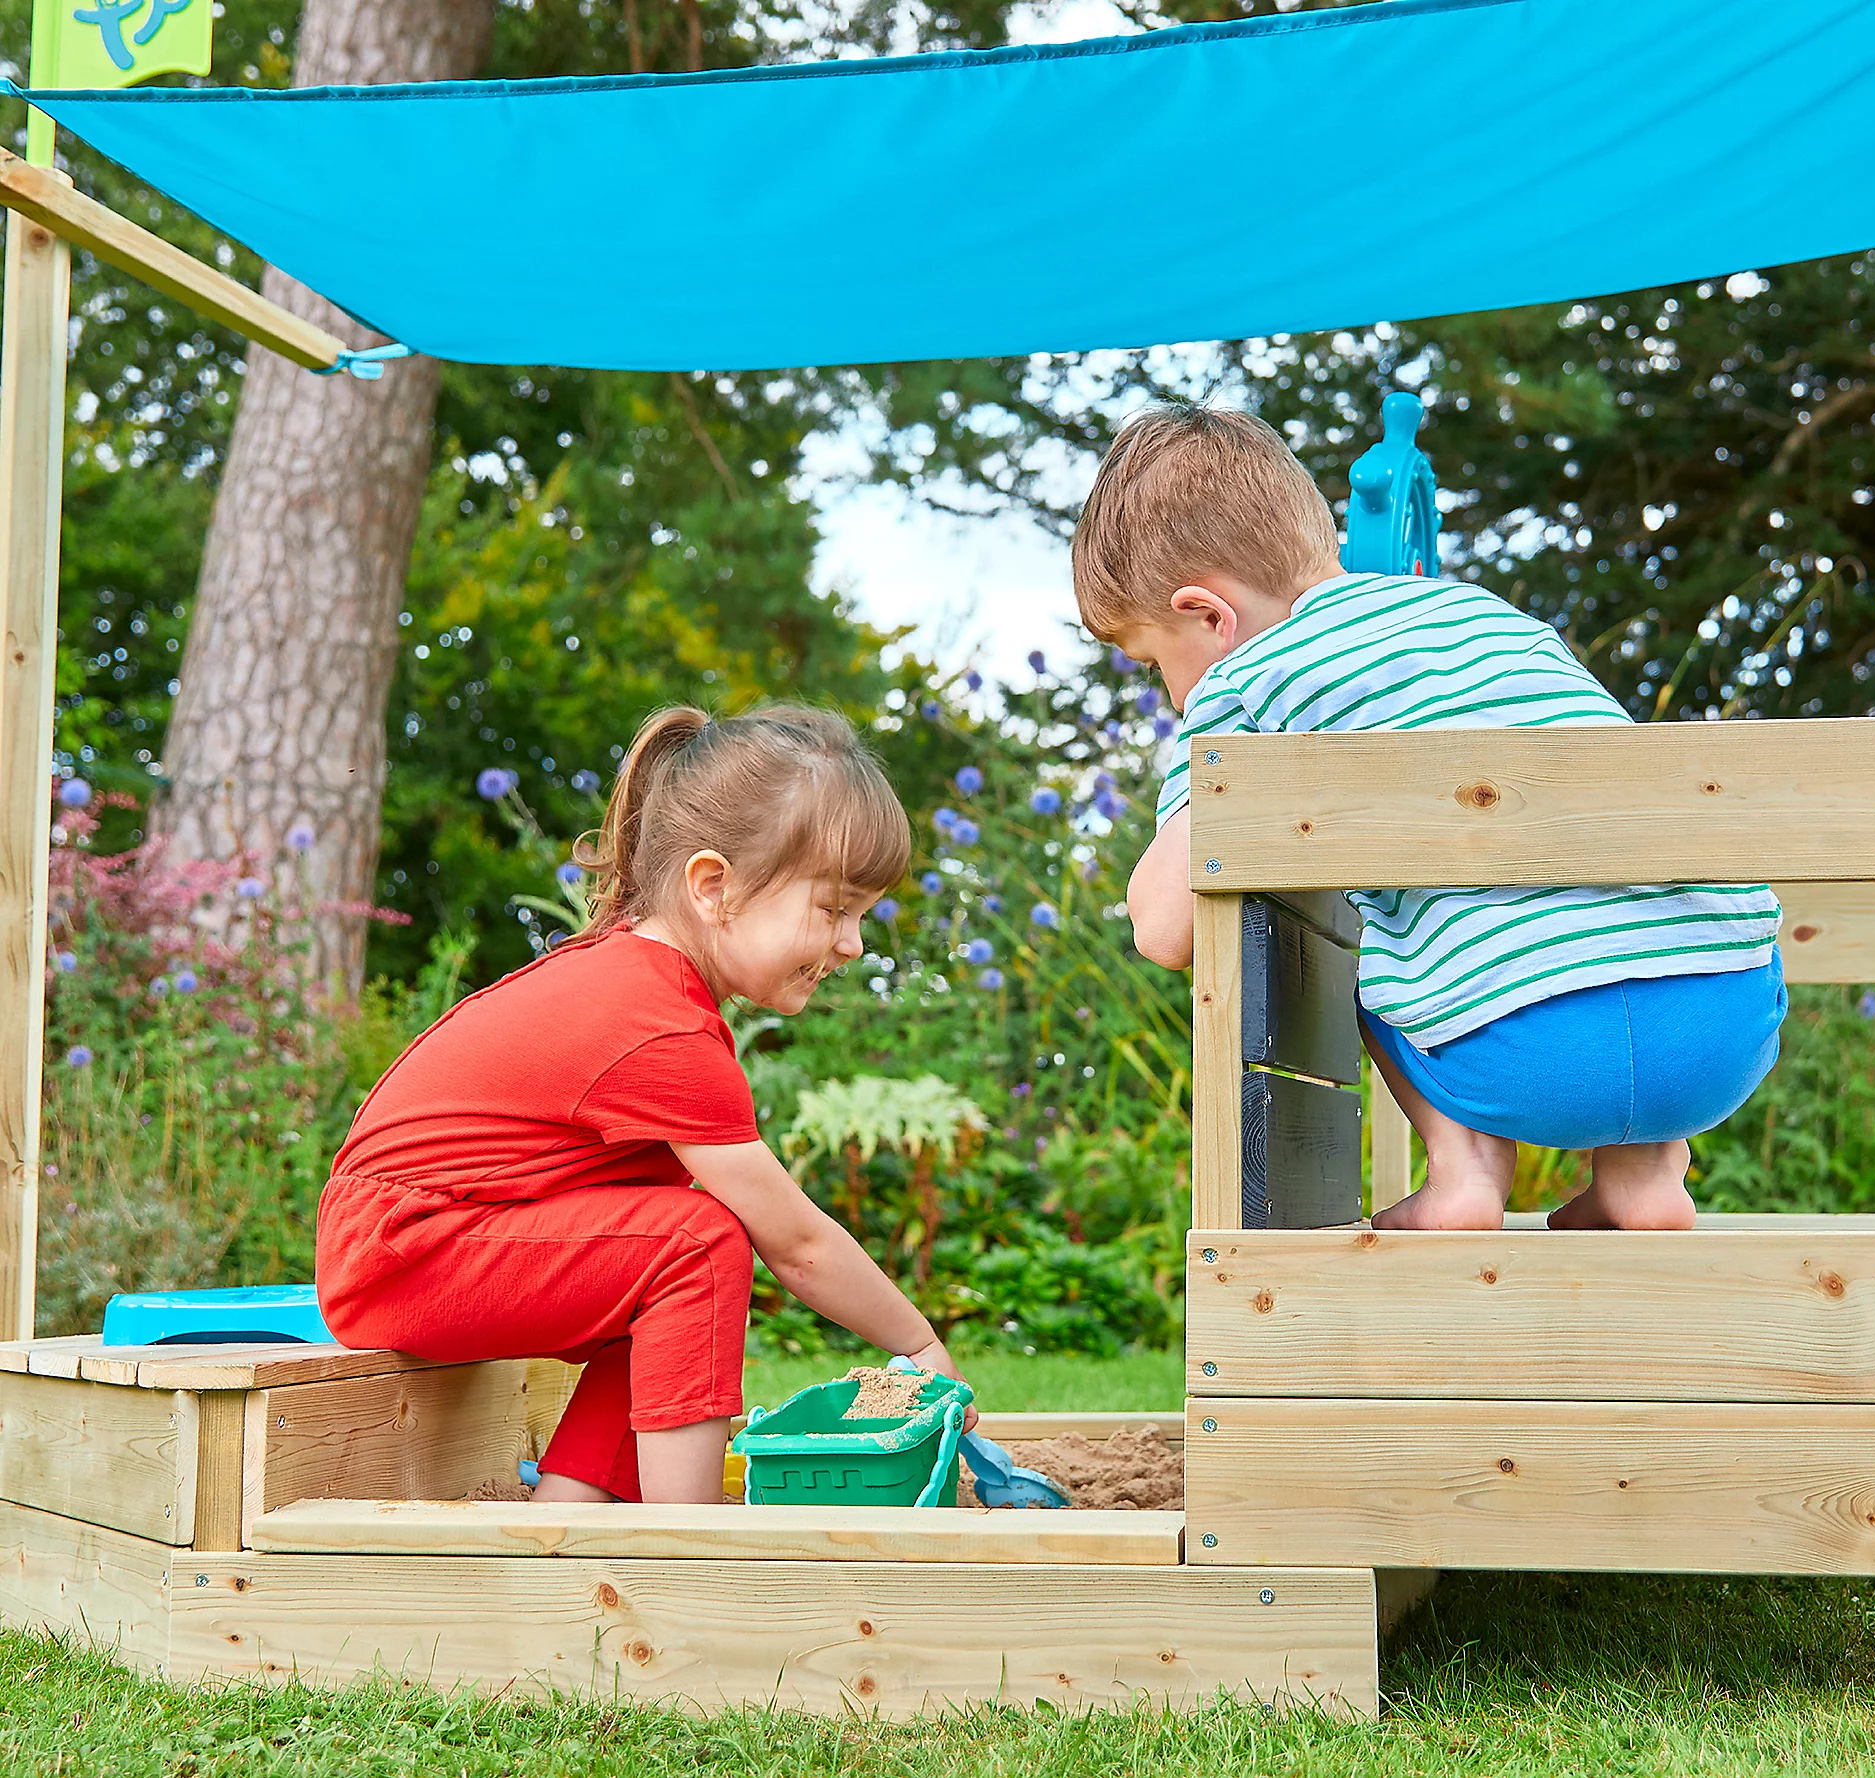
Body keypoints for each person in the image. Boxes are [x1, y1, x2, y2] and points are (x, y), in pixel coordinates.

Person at [1073, 405, 1785, 1232]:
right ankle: (1648, 1174)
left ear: (1208, 616)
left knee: (1367, 940)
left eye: (1154, 661)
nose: (1170, 690)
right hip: (1718, 1033)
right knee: (1625, 899)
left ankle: (1465, 1173)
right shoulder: (1490, 621)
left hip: (1526, 1058)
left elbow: (1164, 931)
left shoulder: (1246, 682)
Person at [316, 704, 969, 1504]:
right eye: (834, 908)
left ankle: (573, 1507)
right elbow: (796, 1243)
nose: (853, 944)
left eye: (862, 915)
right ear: (713, 887)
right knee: (694, 1245)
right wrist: (920, 1344)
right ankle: (680, 1542)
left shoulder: (649, 989)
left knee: (663, 1236)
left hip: (408, 1242)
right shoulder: (657, 1026)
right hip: (405, 1249)